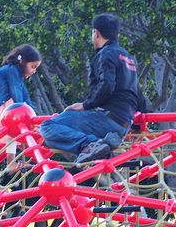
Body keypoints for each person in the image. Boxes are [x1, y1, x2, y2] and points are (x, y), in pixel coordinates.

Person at [40, 13, 142, 163]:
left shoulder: (105, 54)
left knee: (48, 126)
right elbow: (137, 93)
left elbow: (107, 85)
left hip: (106, 118)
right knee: (53, 138)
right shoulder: (127, 57)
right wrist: (138, 124)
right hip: (123, 124)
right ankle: (100, 148)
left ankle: (90, 145)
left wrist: (85, 105)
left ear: (96, 33)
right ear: (117, 34)